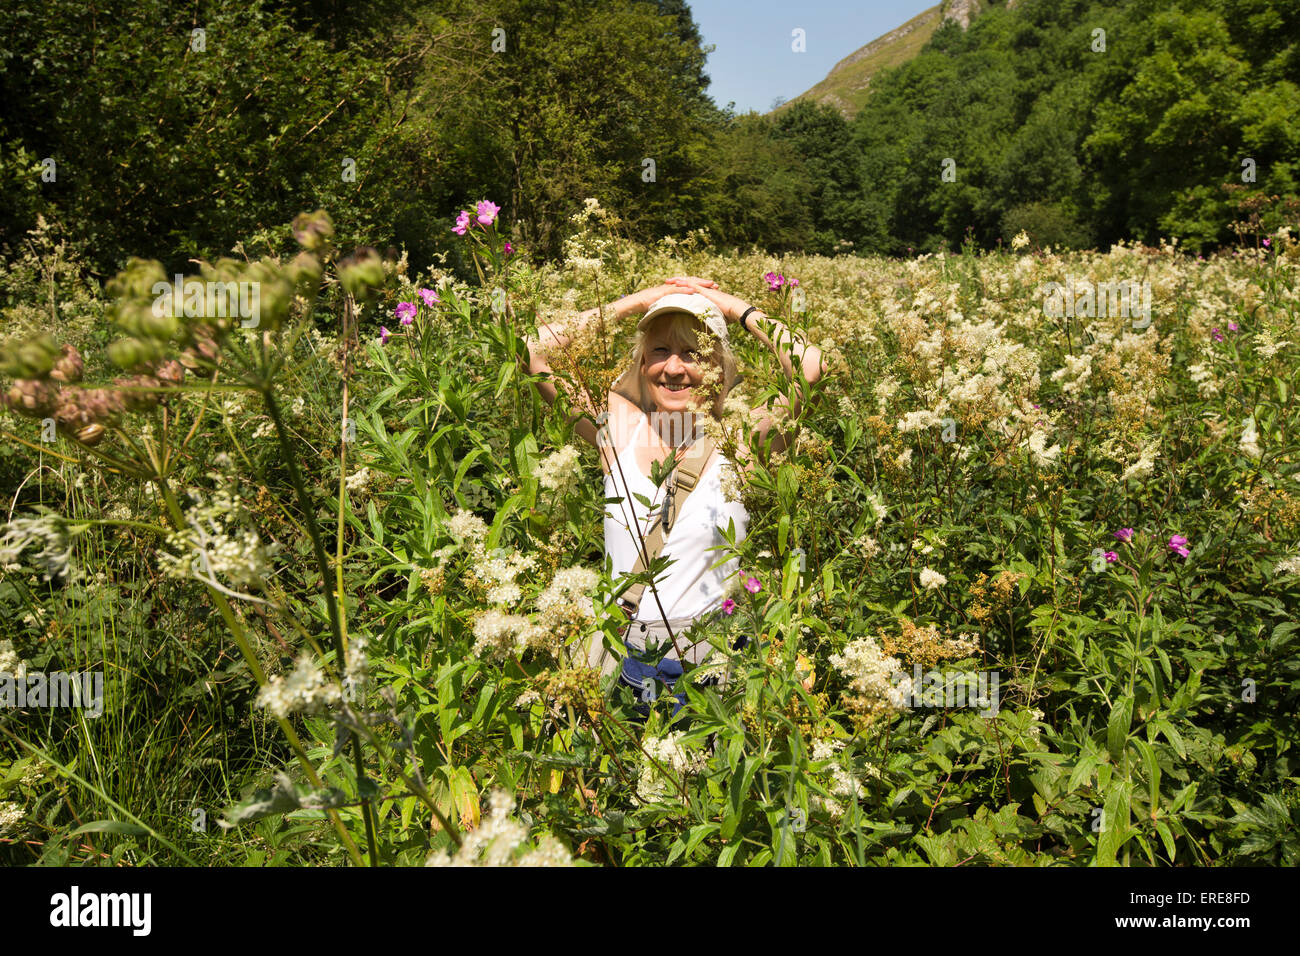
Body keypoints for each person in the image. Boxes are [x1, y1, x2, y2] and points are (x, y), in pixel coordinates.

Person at [526, 276, 827, 712]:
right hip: (616, 660)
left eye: (693, 353)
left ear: (720, 368)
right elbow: (529, 350)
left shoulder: (739, 443)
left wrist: (729, 306)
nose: (673, 368)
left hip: (707, 671)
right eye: (660, 351)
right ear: (643, 362)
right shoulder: (617, 433)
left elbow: (810, 365)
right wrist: (640, 301)